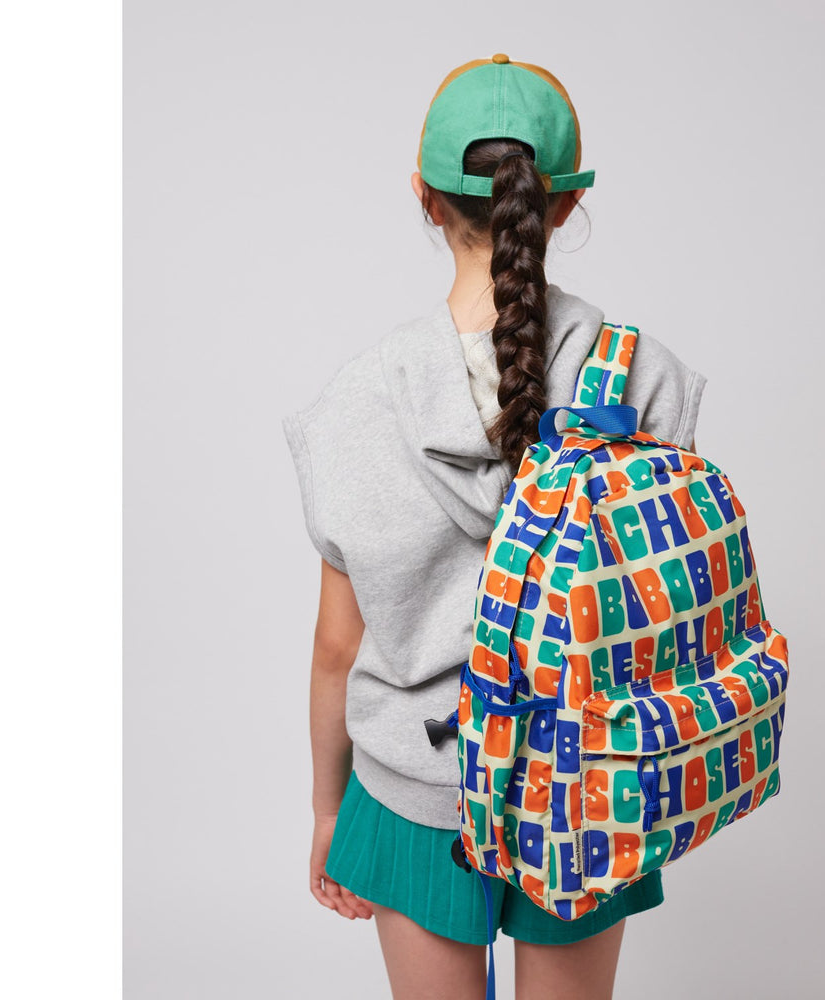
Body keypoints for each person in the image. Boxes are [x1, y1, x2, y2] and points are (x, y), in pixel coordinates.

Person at [282, 53, 706, 1000]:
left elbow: (336, 649)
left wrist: (328, 811)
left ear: (426, 200)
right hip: (588, 775)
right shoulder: (646, 381)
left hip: (415, 787)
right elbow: (664, 607)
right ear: (564, 204)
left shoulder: (351, 408)